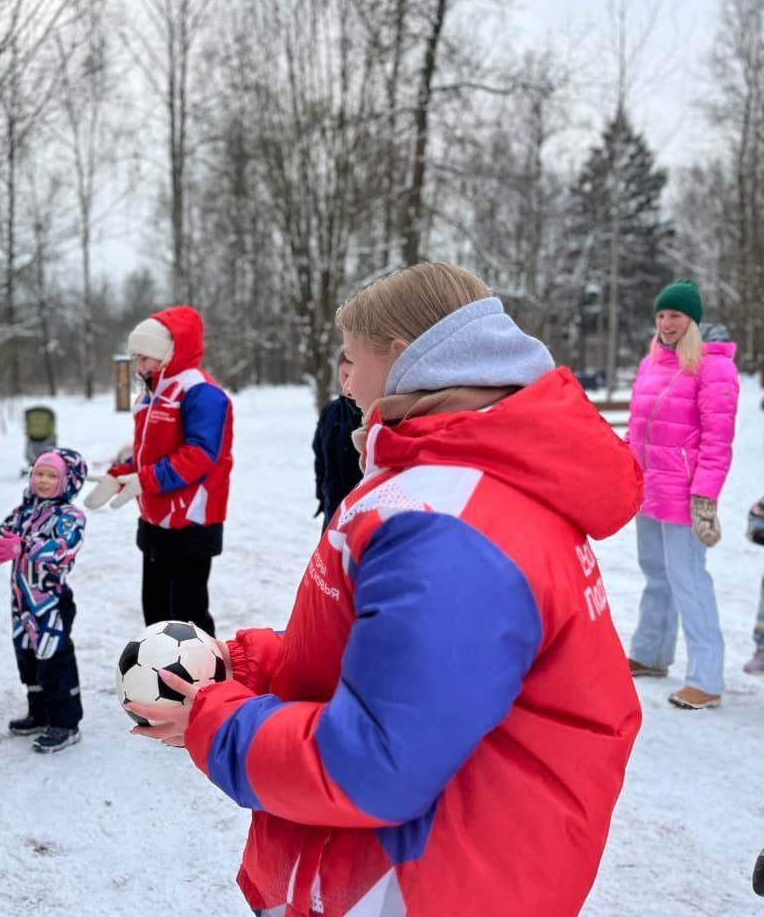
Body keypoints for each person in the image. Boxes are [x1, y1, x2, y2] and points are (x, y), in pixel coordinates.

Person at [126, 263, 643, 917]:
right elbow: (392, 660)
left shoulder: (446, 522)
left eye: (350, 357)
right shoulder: (443, 482)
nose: (343, 378)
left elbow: (375, 764)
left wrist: (213, 720)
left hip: (434, 883)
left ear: (403, 355)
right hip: (428, 864)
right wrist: (248, 664)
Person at [624, 280, 739, 709]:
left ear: (693, 319)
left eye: (675, 315)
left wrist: (704, 497)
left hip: (685, 493)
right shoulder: (651, 362)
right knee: (655, 573)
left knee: (688, 579)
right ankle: (652, 653)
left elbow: (717, 442)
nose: (666, 323)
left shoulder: (713, 368)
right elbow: (639, 428)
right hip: (648, 489)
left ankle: (706, 678)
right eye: (661, 316)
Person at [85, 306, 233, 637]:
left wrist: (145, 480)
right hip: (155, 521)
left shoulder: (202, 393)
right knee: (155, 614)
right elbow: (146, 453)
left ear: (167, 354)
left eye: (144, 359)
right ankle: (157, 680)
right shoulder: (152, 395)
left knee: (187, 618)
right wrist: (119, 473)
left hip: (191, 522)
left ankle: (205, 684)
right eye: (135, 359)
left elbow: (200, 454)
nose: (138, 368)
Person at [0, 448, 88, 753]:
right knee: (28, 659)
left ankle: (65, 722)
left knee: (54, 659)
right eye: (39, 473)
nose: (44, 480)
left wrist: (22, 546)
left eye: (52, 476)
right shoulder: (24, 511)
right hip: (21, 603)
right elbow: (2, 535)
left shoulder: (70, 517)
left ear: (66, 482)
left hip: (49, 604)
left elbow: (62, 549)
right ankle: (40, 712)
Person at [311, 351, 363, 527]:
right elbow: (320, 457)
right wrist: (322, 493)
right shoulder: (330, 412)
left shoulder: (377, 413)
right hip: (333, 508)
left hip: (363, 513)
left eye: (354, 375)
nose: (349, 383)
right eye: (344, 375)